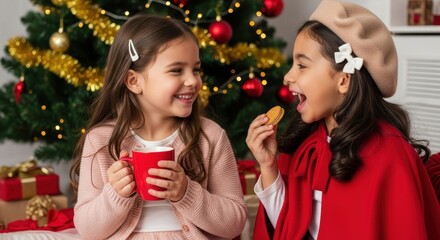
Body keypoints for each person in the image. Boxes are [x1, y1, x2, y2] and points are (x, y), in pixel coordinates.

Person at [246, 0, 440, 239]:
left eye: (302, 65)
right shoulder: (305, 144)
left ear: (344, 81)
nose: (288, 76)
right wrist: (268, 167)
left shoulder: (389, 156)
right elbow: (288, 229)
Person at [70, 14, 246, 240]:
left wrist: (186, 193)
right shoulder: (101, 140)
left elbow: (235, 223)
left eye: (196, 69)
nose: (193, 81)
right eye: (176, 70)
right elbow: (87, 230)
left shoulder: (210, 136)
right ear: (134, 81)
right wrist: (115, 195)